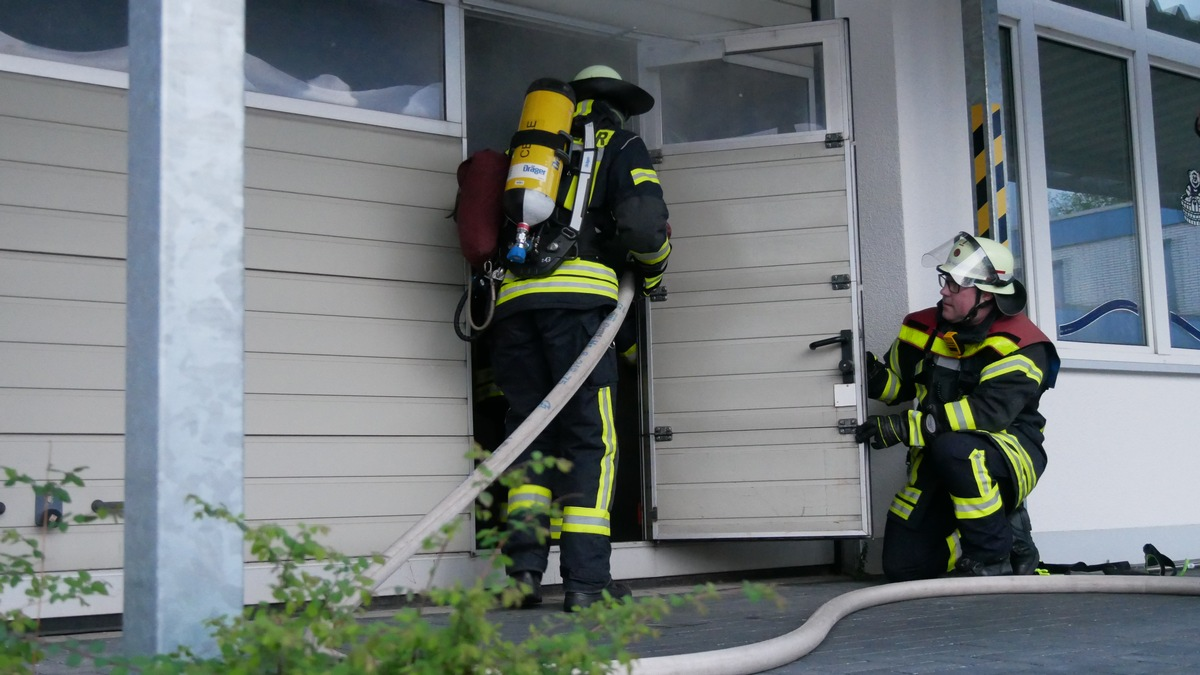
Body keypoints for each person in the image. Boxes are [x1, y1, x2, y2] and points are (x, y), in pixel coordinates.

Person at [489, 65, 671, 612]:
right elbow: (644, 229)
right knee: (592, 442)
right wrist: (654, 273)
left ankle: (522, 577)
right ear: (616, 105)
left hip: (514, 309)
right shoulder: (620, 143)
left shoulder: (530, 153)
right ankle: (585, 582)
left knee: (529, 441)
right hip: (579, 313)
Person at [855, 232, 1059, 580]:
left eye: (956, 284)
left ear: (987, 295)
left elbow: (987, 413)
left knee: (958, 449)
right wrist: (868, 371)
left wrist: (906, 427)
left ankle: (994, 555)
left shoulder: (1023, 344)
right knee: (903, 567)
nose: (944, 290)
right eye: (945, 279)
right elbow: (898, 386)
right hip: (940, 455)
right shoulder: (923, 326)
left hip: (1008, 454)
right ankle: (990, 541)